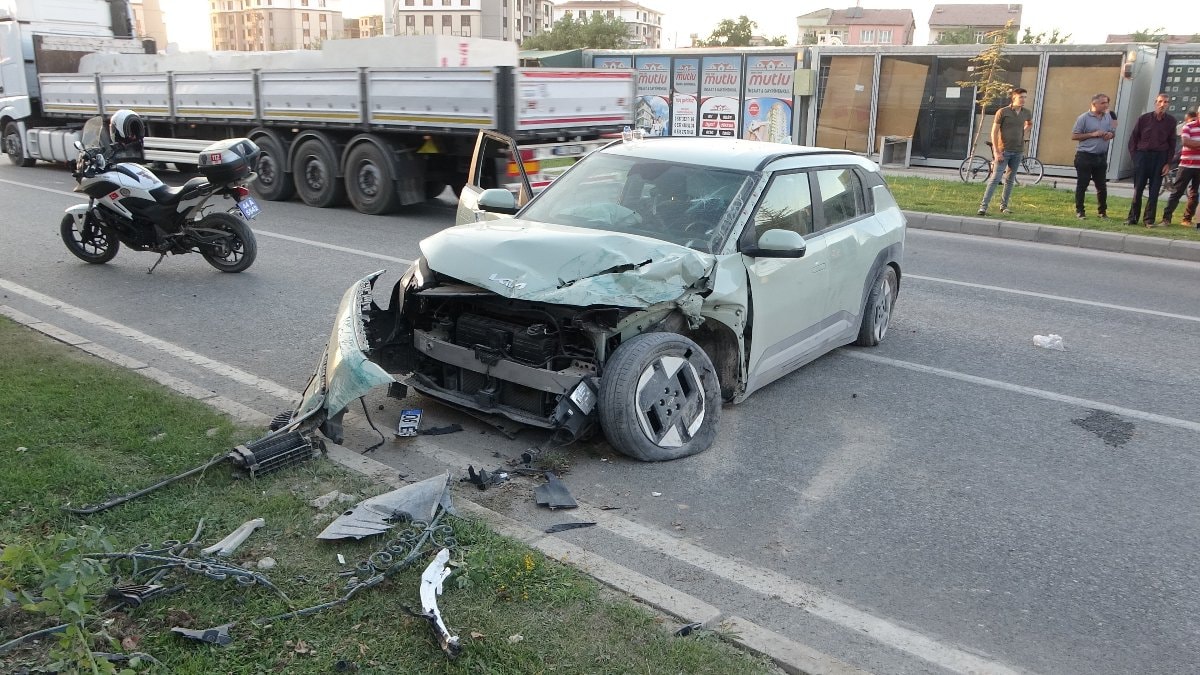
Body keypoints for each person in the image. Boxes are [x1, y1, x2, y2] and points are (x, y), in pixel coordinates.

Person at [977, 88, 1033, 217]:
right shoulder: (1003, 112)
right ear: (1014, 98)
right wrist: (997, 151)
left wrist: (1022, 133)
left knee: (1010, 180)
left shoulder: (1026, 112)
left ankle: (1004, 206)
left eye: (1025, 97)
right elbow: (994, 132)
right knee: (995, 178)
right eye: (1021, 97)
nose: (1023, 99)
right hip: (1003, 150)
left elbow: (1029, 124)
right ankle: (983, 207)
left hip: (1018, 151)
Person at [1125, 93, 1176, 226]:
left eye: (1165, 102)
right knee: (1138, 189)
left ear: (1168, 105)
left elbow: (1172, 143)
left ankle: (1149, 220)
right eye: (1160, 101)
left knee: (1154, 191)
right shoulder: (1144, 119)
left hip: (1160, 158)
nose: (1162, 104)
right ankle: (1132, 218)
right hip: (1142, 156)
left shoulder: (1171, 121)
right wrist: (1135, 157)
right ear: (1155, 103)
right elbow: (1133, 139)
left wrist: (1168, 163)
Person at [1070, 93, 1118, 219]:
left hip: (1101, 156)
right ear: (1094, 104)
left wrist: (1110, 135)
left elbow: (1114, 130)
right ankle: (1080, 211)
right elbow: (1074, 136)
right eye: (1103, 103)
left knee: (1101, 185)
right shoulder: (1083, 118)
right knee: (1083, 184)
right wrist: (1092, 134)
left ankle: (1102, 212)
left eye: (1107, 102)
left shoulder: (1110, 116)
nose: (1106, 105)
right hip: (1085, 156)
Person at [1160, 109, 1200, 227]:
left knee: (1194, 194)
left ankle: (1187, 219)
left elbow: (1192, 143)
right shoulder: (1188, 126)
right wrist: (1193, 144)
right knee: (1177, 192)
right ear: (1198, 114)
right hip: (1186, 165)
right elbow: (1186, 142)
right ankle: (1166, 219)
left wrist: (1195, 144)